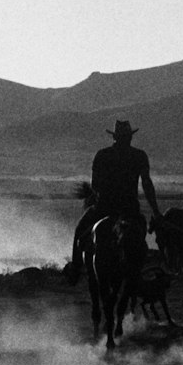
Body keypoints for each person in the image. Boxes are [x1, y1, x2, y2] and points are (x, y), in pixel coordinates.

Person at [64, 120, 162, 283]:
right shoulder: (139, 156)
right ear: (130, 137)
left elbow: (95, 185)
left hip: (104, 208)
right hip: (130, 209)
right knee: (140, 238)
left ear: (115, 137)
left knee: (80, 232)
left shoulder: (102, 155)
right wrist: (156, 212)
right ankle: (139, 270)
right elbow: (147, 184)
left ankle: (76, 268)